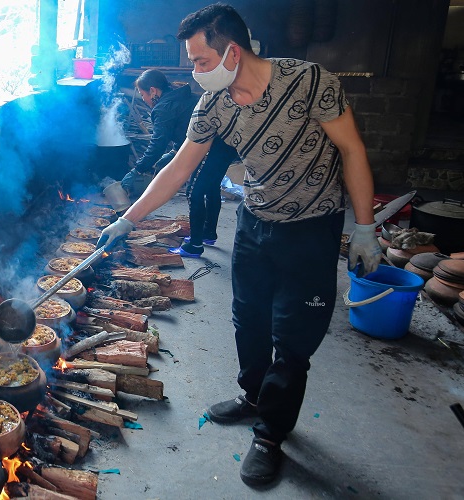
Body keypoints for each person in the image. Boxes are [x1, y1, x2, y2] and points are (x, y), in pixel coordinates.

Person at [97, 3, 381, 487]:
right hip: (255, 221)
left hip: (312, 228)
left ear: (232, 51)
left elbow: (352, 148)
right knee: (246, 319)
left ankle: (271, 433)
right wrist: (128, 218)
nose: (194, 73)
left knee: (292, 339)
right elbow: (179, 168)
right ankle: (254, 397)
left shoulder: (309, 81)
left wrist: (365, 227)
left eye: (201, 62)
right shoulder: (214, 105)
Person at [121, 70, 198, 197]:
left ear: (153, 91)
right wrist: (174, 152)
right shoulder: (178, 95)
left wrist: (137, 170)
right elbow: (185, 128)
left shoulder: (163, 108)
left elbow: (158, 144)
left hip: (212, 146)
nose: (144, 100)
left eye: (142, 94)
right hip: (214, 142)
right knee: (203, 189)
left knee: (196, 192)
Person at [168, 140, 238, 257]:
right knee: (213, 188)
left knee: (193, 192)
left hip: (212, 145)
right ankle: (208, 233)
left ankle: (195, 245)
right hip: (229, 145)